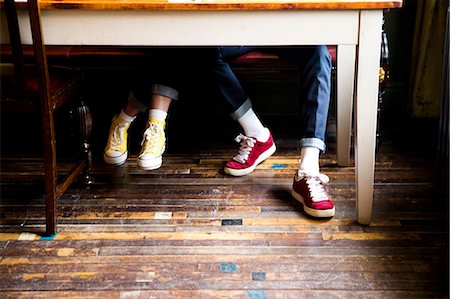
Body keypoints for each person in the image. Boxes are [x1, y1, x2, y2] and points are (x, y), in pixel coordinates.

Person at [211, 46, 335, 218]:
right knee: (201, 48)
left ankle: (308, 171)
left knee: (319, 52)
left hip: (290, 32)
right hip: (243, 29)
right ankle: (256, 133)